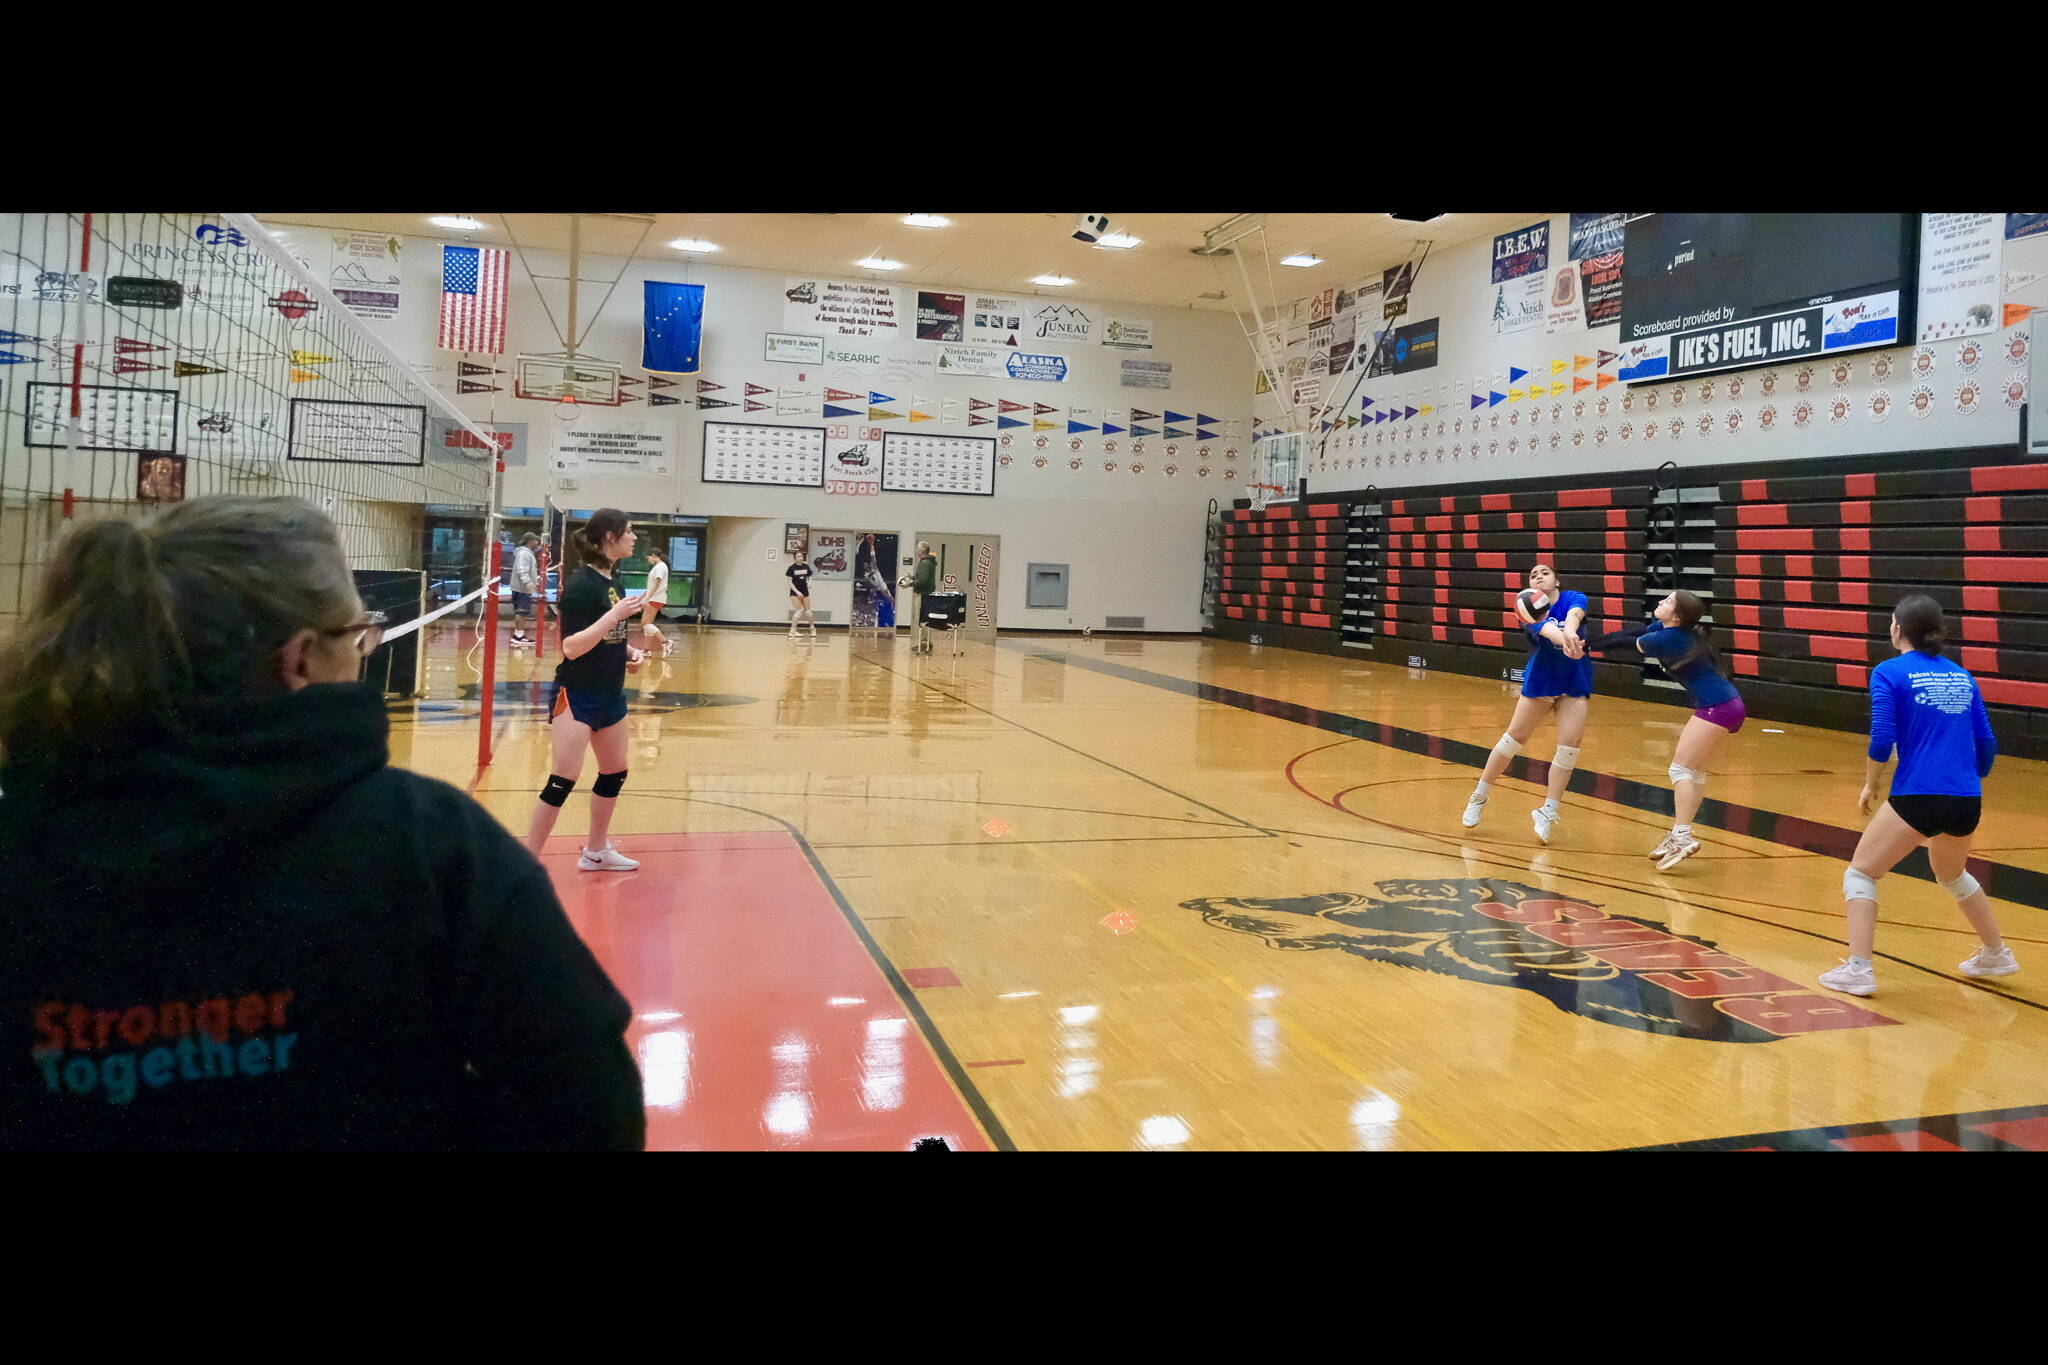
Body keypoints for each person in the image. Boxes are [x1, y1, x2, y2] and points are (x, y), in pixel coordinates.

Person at [0, 496, 643, 1150]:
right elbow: (593, 1107)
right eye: (358, 634)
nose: (364, 649)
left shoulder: (21, 848)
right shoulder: (428, 846)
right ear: (300, 657)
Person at [1818, 595, 2016, 997]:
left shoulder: (1889, 672)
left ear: (1897, 629)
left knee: (1860, 873)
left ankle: (1859, 969)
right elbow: (1987, 744)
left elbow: (1882, 738)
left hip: (1919, 794)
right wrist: (1965, 779)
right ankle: (1996, 953)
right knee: (1952, 874)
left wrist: (1871, 784)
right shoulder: (1962, 675)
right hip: (1966, 798)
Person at [1585, 588, 1743, 871]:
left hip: (1716, 706)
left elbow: (1622, 643)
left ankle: (1682, 836)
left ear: (1677, 615)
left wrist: (1586, 646)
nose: (1660, 602)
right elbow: (1634, 632)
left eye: (1667, 601)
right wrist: (1588, 643)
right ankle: (1679, 834)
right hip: (1729, 704)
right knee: (1694, 772)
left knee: (1679, 770)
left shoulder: (1668, 639)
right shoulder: (1670, 629)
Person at [526, 508, 648, 871]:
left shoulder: (614, 580)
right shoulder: (580, 585)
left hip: (611, 693)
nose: (634, 537)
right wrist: (614, 616)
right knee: (563, 778)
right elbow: (571, 647)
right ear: (610, 537)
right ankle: (525, 863)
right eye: (629, 531)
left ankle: (596, 850)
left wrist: (630, 651)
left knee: (615, 771)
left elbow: (611, 636)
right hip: (577, 695)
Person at [1461, 562, 1589, 844]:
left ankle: (1547, 811)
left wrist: (1570, 631)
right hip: (1543, 679)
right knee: (1513, 739)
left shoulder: (1574, 598)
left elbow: (1574, 616)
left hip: (1574, 679)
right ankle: (1479, 795)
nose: (1539, 576)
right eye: (1533, 574)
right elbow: (1546, 631)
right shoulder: (1526, 608)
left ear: (1557, 581)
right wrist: (1565, 639)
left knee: (1569, 748)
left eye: (1545, 572)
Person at [509, 532, 542, 648]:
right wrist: (529, 585)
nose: (538, 543)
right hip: (522, 588)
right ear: (530, 541)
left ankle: (518, 635)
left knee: (520, 611)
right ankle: (518, 636)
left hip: (521, 587)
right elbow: (522, 571)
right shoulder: (524, 554)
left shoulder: (526, 553)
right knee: (521, 611)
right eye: (536, 540)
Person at [639, 545, 671, 658]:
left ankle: (665, 642)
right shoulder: (659, 566)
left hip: (655, 598)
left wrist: (648, 598)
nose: (649, 561)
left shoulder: (660, 567)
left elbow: (657, 583)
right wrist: (642, 597)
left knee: (645, 624)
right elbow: (651, 585)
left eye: (648, 558)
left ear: (653, 556)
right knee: (648, 625)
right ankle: (646, 650)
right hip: (654, 598)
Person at [910, 541, 938, 654]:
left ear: (922, 551)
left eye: (917, 549)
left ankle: (924, 643)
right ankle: (927, 642)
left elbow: (924, 580)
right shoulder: (929, 562)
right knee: (925, 619)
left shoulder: (925, 563)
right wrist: (912, 577)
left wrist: (910, 583)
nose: (916, 551)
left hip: (923, 594)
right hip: (927, 594)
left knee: (921, 619)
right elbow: (922, 577)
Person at [785, 547, 816, 641]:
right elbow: (790, 582)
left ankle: (812, 628)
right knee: (798, 611)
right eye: (798, 556)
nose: (800, 558)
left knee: (808, 612)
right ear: (795, 558)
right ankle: (792, 631)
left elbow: (810, 577)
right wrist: (797, 592)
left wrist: (810, 584)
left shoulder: (806, 567)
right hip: (795, 593)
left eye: (801, 556)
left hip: (805, 591)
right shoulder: (791, 568)